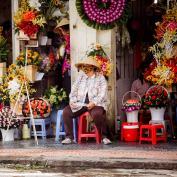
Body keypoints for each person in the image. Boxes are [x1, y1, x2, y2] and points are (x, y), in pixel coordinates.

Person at [61, 56, 112, 145]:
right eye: (83, 66)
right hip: (81, 103)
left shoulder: (100, 78)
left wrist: (94, 102)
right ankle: (69, 137)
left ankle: (104, 136)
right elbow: (74, 90)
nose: (84, 68)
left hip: (96, 104)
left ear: (92, 67)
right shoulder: (80, 77)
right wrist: (72, 100)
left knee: (97, 114)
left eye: (87, 66)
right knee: (66, 112)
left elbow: (102, 94)